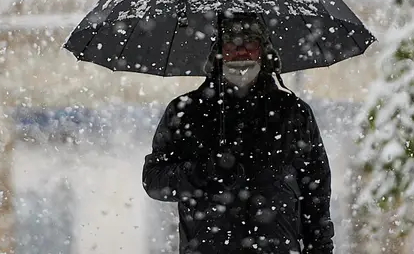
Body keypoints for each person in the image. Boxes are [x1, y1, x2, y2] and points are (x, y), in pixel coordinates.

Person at [142, 15, 334, 254]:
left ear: (263, 50)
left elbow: (316, 191)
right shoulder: (186, 111)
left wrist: (320, 248)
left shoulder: (293, 112)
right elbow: (154, 180)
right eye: (231, 42)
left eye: (250, 41)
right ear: (218, 51)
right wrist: (205, 172)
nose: (240, 51)